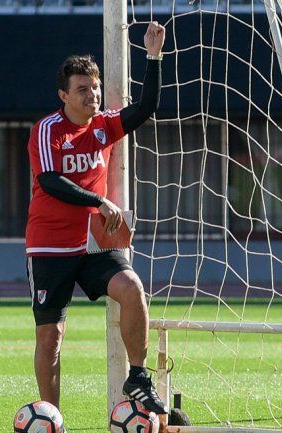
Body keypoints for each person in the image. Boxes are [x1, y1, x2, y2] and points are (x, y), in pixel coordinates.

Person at [24, 21, 167, 414]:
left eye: (95, 87)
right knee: (50, 337)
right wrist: (98, 201)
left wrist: (153, 57)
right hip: (49, 245)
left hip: (92, 243)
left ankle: (137, 376)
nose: (92, 94)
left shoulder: (105, 125)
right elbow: (51, 181)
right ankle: (51, 417)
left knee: (133, 289)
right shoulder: (47, 131)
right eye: (82, 89)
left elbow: (146, 108)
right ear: (63, 95)